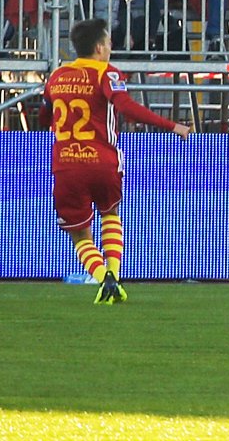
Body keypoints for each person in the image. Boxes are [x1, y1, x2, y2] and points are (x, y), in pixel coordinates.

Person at [43, 16, 192, 304]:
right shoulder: (106, 73)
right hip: (102, 161)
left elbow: (44, 114)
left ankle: (104, 279)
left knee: (80, 235)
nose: (111, 49)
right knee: (110, 214)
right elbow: (127, 107)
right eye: (109, 43)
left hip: (66, 164)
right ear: (99, 48)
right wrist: (172, 126)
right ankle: (114, 275)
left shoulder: (57, 76)